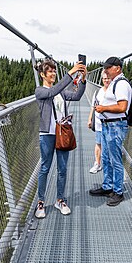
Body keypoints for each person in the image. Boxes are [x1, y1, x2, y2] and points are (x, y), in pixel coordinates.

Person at [34, 59, 87, 218]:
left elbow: (77, 95)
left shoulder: (61, 92)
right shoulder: (40, 91)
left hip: (62, 134)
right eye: (50, 71)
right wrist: (70, 73)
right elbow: (52, 92)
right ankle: (41, 202)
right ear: (42, 74)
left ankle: (60, 200)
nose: (53, 74)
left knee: (62, 169)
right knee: (45, 168)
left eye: (54, 71)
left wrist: (83, 79)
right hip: (47, 135)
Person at [89, 56, 131, 207]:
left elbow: (122, 107)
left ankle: (118, 192)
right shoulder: (115, 83)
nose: (105, 70)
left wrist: (103, 108)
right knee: (106, 158)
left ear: (117, 68)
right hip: (108, 125)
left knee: (115, 160)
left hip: (115, 126)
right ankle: (107, 187)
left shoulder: (121, 84)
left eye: (108, 67)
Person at [87, 71, 111, 174]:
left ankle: (107, 166)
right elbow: (93, 106)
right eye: (104, 78)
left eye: (108, 78)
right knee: (98, 143)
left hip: (110, 125)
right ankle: (97, 163)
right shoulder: (98, 92)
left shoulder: (115, 91)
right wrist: (89, 119)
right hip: (98, 123)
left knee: (108, 146)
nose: (106, 80)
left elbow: (125, 99)